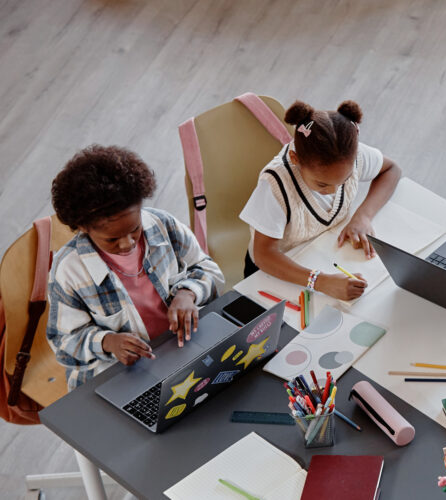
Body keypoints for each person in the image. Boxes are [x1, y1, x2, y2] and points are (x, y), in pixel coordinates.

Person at [47, 145, 224, 390]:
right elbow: (63, 342)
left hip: (184, 350)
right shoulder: (68, 272)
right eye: (112, 239)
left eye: (134, 229)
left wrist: (188, 292)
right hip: (121, 377)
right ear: (82, 227)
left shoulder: (163, 225)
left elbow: (208, 269)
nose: (128, 243)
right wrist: (107, 342)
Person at [239, 99, 401, 301]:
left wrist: (363, 216)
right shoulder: (275, 185)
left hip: (323, 254)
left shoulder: (350, 155)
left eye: (346, 179)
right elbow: (264, 254)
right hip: (275, 272)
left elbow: (392, 170)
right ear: (295, 159)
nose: (334, 190)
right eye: (323, 184)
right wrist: (320, 282)